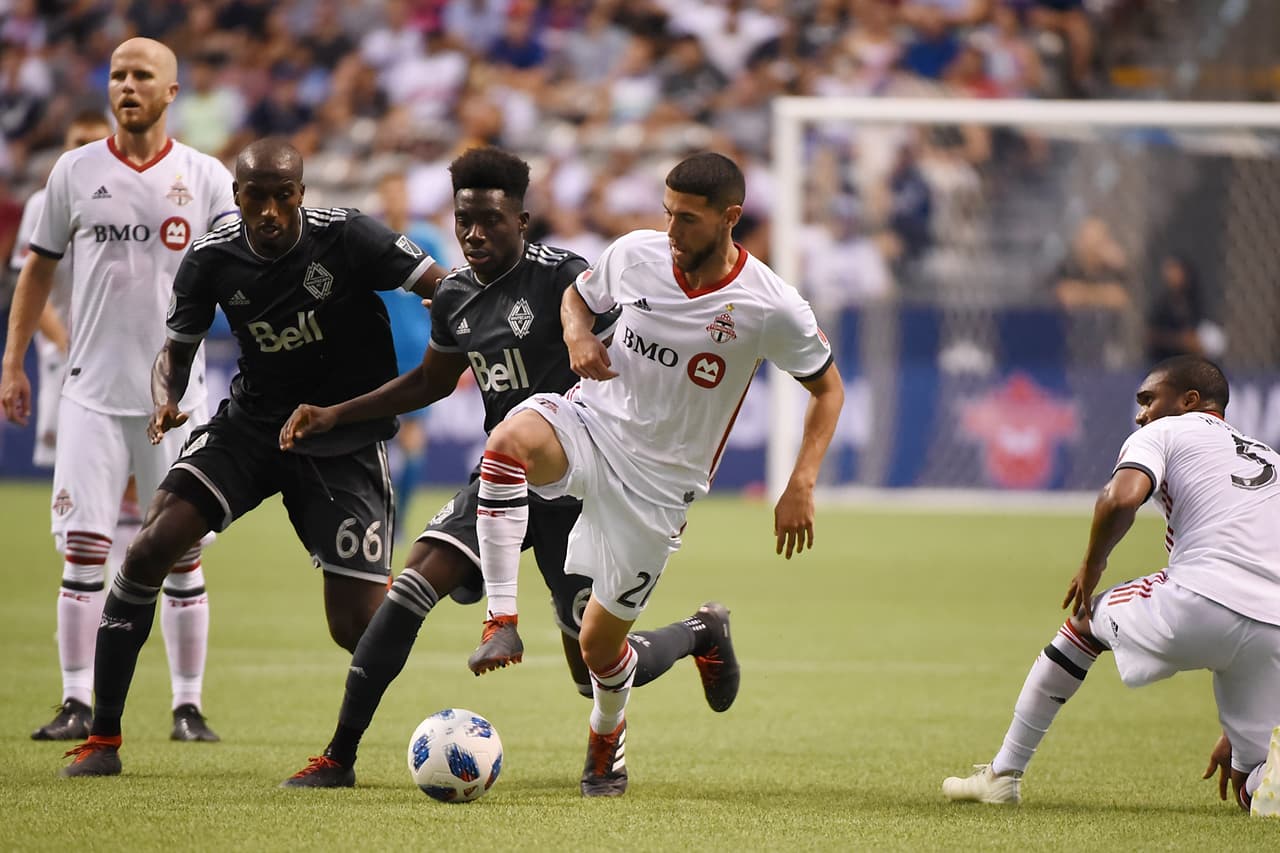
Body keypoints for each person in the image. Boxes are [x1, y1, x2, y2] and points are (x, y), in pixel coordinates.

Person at [275, 146, 742, 789]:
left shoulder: (564, 278)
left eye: (491, 221)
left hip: (582, 485)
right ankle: (339, 755)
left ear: (522, 221)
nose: (474, 234)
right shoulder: (456, 296)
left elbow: (638, 346)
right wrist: (337, 413)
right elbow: (432, 383)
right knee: (412, 585)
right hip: (503, 475)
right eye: (464, 220)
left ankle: (699, 632)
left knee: (596, 667)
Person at [57, 137, 447, 778]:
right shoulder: (211, 259)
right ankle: (103, 740)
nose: (269, 211)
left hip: (341, 436)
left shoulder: (349, 238)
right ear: (236, 197)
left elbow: (440, 286)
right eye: (255, 197)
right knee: (153, 544)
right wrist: (166, 399)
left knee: (354, 626)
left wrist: (456, 315)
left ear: (301, 195)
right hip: (253, 426)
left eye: (282, 197)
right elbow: (175, 353)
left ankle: (345, 747)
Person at [466, 151, 845, 796]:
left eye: (688, 221)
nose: (671, 233)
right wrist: (580, 338)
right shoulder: (635, 253)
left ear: (731, 218)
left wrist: (801, 481)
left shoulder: (770, 305)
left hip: (660, 487)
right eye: (668, 214)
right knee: (506, 445)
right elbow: (575, 299)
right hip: (593, 425)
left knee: (599, 652)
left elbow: (828, 390)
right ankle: (502, 620)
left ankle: (645, 691)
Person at [2, 38, 237, 743]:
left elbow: (244, 276)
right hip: (91, 394)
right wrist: (13, 361)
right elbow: (35, 274)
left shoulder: (206, 177)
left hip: (179, 399)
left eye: (143, 76)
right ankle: (77, 699)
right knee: (83, 550)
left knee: (181, 555)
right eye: (117, 74)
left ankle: (187, 705)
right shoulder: (72, 173)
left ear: (172, 93)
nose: (127, 85)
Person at [942, 355, 1280, 811]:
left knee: (1083, 624)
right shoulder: (1269, 457)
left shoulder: (1163, 431)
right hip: (1273, 624)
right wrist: (1247, 705)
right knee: (1251, 779)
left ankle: (1002, 775)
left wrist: (1093, 563)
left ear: (1189, 401)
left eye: (1148, 399)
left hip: (1198, 599)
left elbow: (1120, 497)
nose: (1140, 413)